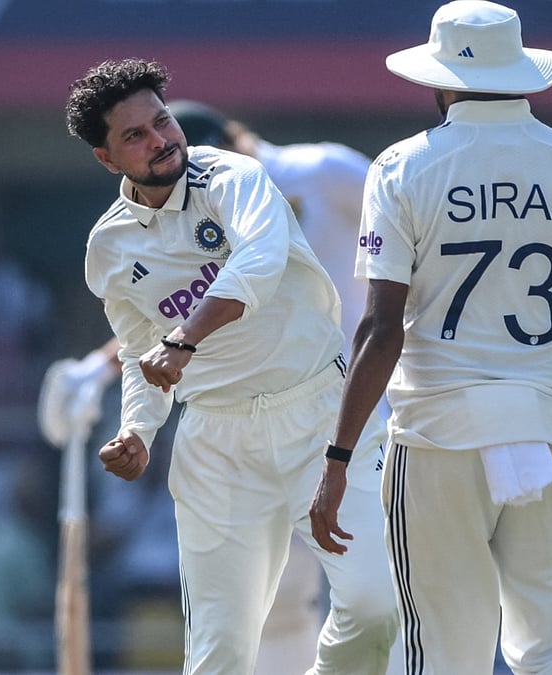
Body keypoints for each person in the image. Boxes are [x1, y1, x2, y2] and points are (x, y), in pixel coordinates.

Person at [308, 2, 552, 673]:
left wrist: (337, 458)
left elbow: (380, 328)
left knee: (444, 655)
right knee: (551, 651)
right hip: (547, 430)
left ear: (440, 83)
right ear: (519, 74)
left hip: (437, 434)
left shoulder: (401, 167)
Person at [65, 58, 397, 674]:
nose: (160, 140)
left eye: (161, 121)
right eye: (135, 135)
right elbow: (139, 351)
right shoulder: (109, 247)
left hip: (319, 415)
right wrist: (138, 428)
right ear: (107, 159)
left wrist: (185, 339)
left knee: (379, 607)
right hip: (216, 443)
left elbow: (259, 261)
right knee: (221, 653)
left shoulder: (235, 176)